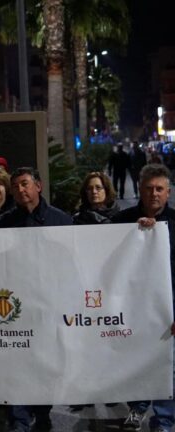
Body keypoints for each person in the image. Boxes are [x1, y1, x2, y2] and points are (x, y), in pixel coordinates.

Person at [0, 167, 71, 432]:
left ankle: (42, 413)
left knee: (45, 365)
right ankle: (19, 420)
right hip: (16, 309)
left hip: (49, 305)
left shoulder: (62, 220)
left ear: (38, 186)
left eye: (25, 184)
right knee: (17, 363)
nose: (20, 190)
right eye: (16, 186)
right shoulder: (4, 223)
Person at [112, 164, 175, 432]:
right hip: (130, 307)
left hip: (168, 308)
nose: (154, 194)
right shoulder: (120, 222)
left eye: (159, 189)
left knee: (167, 365)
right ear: (139, 189)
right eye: (148, 188)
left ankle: (164, 420)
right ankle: (137, 408)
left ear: (168, 192)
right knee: (133, 360)